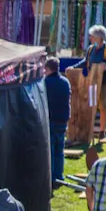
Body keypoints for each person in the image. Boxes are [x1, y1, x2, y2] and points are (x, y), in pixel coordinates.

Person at [44, 57, 71, 185]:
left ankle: (51, 176)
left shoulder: (45, 83)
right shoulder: (65, 82)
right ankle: (59, 175)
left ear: (47, 69)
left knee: (50, 149)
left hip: (51, 119)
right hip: (62, 119)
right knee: (59, 149)